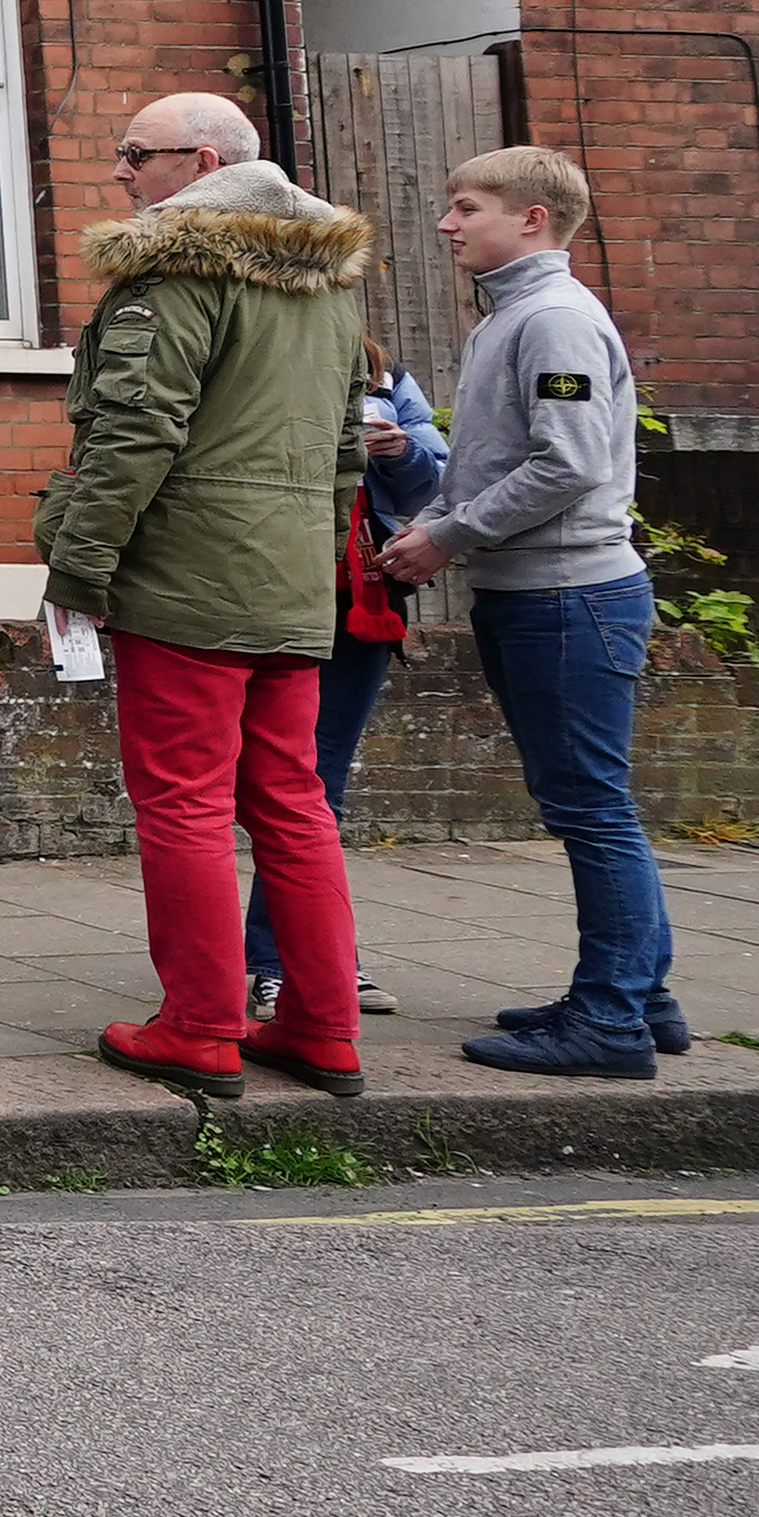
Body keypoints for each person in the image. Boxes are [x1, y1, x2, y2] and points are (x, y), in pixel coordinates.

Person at [32, 92, 379, 1101]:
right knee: (294, 802)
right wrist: (315, 558)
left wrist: (79, 569)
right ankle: (322, 1025)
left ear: (201, 158)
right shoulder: (326, 281)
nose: (119, 173)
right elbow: (348, 447)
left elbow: (135, 430)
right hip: (286, 580)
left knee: (181, 802)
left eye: (133, 153)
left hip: (186, 573)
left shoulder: (173, 266)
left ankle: (198, 1026)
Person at [383, 146, 682, 1078]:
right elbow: (494, 460)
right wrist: (432, 519)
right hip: (541, 596)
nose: (446, 224)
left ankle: (610, 1024)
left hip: (569, 598)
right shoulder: (512, 319)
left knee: (591, 809)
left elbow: (570, 464)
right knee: (588, 805)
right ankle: (641, 996)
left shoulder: (552, 321)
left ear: (533, 219)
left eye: (465, 207)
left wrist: (446, 536)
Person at [247, 331, 442, 1021]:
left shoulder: (381, 375)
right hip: (260, 590)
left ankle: (302, 965)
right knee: (270, 785)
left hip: (354, 599)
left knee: (317, 782)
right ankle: (281, 962)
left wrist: (404, 451)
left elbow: (428, 479)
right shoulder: (248, 358)